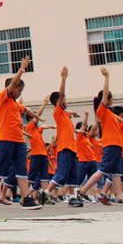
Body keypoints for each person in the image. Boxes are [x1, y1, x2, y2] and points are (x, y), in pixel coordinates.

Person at [0, 56, 44, 210]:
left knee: (22, 169)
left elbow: (27, 109)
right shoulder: (3, 97)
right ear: (12, 87)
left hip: (19, 140)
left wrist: (37, 116)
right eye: (19, 90)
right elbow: (13, 84)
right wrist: (22, 69)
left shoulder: (16, 105)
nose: (19, 93)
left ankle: (26, 198)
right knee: (1, 170)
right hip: (6, 139)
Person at [81, 68, 123, 204]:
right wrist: (107, 77)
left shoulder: (110, 113)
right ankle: (82, 191)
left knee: (117, 172)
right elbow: (105, 93)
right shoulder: (102, 110)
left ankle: (119, 197)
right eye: (110, 98)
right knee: (104, 170)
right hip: (111, 143)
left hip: (117, 144)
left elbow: (121, 120)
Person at [46, 67, 82, 206]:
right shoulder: (58, 111)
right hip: (64, 147)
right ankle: (46, 193)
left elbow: (68, 111)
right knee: (61, 174)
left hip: (72, 147)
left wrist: (73, 112)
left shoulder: (66, 114)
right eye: (64, 99)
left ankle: (72, 197)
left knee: (73, 174)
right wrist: (63, 79)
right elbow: (61, 95)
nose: (66, 101)